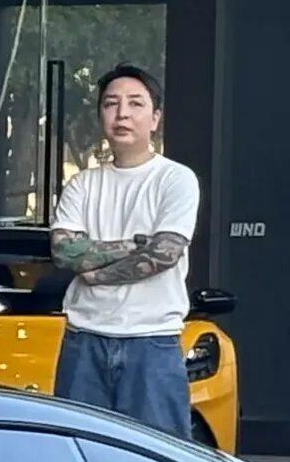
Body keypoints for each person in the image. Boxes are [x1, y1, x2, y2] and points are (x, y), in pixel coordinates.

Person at [49, 64, 200, 439]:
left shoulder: (176, 179)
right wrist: (134, 245)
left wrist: (95, 271)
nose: (122, 114)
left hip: (152, 343)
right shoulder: (82, 184)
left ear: (156, 118)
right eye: (111, 104)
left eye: (135, 103)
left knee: (158, 459)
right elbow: (65, 253)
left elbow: (164, 255)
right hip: (84, 340)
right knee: (79, 454)